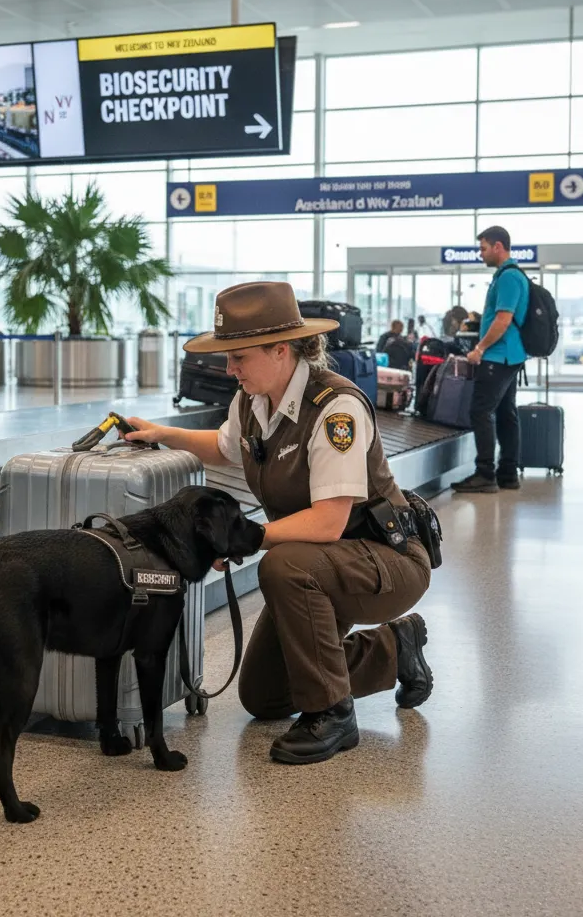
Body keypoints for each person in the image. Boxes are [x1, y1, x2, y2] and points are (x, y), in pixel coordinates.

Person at [124, 282, 433, 765]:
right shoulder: (251, 402)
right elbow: (225, 446)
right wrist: (162, 434)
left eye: (239, 357)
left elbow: (330, 522)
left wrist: (245, 538)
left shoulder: (335, 409)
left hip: (386, 561)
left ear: (280, 350)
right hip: (324, 563)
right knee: (264, 696)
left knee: (283, 564)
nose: (229, 369)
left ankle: (333, 715)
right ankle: (395, 647)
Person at [451, 227, 530, 494]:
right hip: (511, 356)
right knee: (506, 413)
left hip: (498, 355)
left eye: (483, 248)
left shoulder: (508, 277)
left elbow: (503, 320)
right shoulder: (511, 275)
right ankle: (508, 473)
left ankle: (485, 474)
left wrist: (480, 349)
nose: (480, 253)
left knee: (480, 411)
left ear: (498, 247)